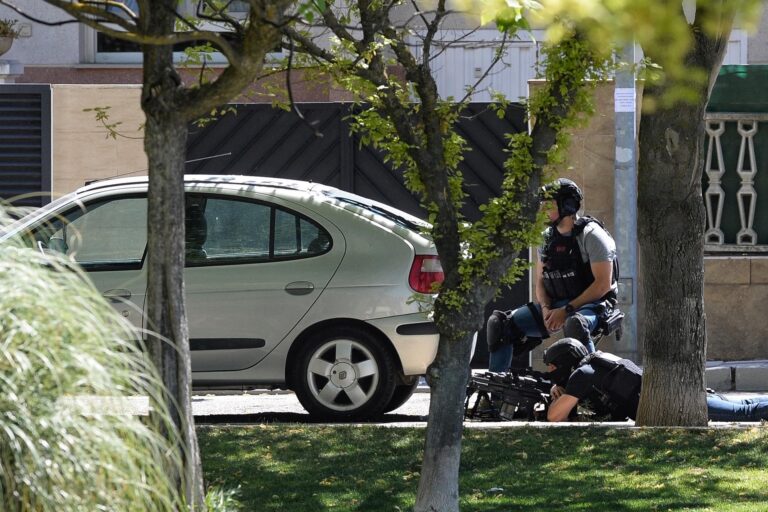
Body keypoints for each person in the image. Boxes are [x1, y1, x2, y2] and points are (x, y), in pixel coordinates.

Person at [486, 178, 618, 372]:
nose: (542, 210)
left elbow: (602, 285)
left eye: (548, 205)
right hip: (556, 304)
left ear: (567, 205)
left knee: (576, 324)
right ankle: (497, 395)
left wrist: (566, 310)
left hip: (593, 306)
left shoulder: (592, 235)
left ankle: (588, 388)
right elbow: (540, 281)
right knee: (499, 324)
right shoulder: (547, 238)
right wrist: (547, 308)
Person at [543, 338, 768, 423]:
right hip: (676, 394)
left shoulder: (582, 374)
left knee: (745, 414)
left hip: (678, 403)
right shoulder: (594, 366)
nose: (552, 372)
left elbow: (555, 417)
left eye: (553, 367)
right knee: (745, 406)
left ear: (565, 362)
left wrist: (557, 395)